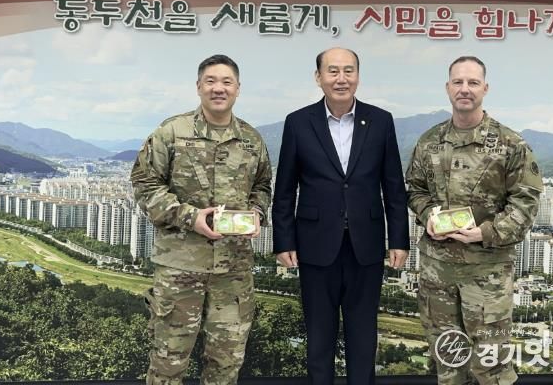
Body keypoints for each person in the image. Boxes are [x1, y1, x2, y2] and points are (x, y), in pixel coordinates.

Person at [131, 54, 272, 385]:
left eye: (226, 82)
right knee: (168, 364)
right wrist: (189, 217)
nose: (218, 88)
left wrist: (256, 213)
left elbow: (263, 186)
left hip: (233, 271)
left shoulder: (252, 140)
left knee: (226, 364)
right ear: (198, 87)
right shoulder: (171, 132)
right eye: (210, 81)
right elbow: (144, 184)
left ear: (238, 88)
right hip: (180, 269)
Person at [271, 47, 410, 385]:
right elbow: (285, 189)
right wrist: (284, 241)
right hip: (315, 244)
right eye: (333, 71)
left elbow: (393, 185)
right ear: (318, 77)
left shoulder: (381, 120)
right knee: (319, 337)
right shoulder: (298, 122)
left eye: (349, 71)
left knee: (363, 336)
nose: (341, 78)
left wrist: (399, 240)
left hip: (367, 244)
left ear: (358, 76)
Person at [405, 56, 542, 385]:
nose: (464, 89)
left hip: (486, 274)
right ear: (447, 87)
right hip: (437, 273)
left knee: (491, 368)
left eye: (473, 82)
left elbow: (525, 202)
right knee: (448, 365)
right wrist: (427, 215)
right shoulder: (429, 142)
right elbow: (414, 189)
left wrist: (486, 232)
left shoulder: (510, 144)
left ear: (485, 88)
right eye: (458, 82)